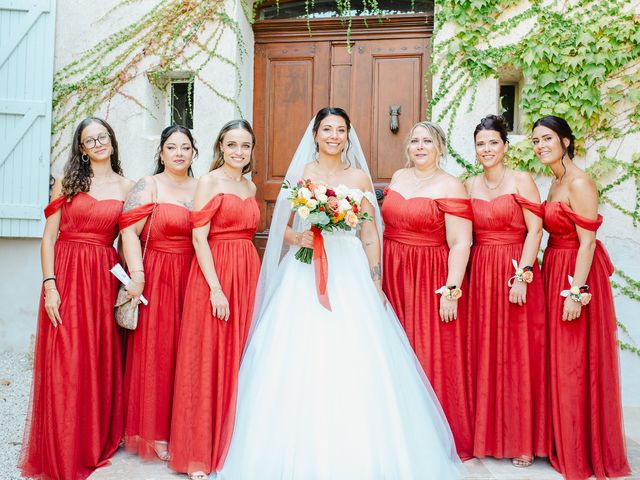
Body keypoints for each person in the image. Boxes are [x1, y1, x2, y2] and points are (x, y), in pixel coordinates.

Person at [217, 107, 461, 479]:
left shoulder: (359, 177)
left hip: (348, 270)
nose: (334, 136)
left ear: (349, 136)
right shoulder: (302, 174)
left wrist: (375, 282)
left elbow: (368, 232)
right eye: (327, 129)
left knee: (357, 354)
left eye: (341, 130)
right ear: (315, 134)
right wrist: (297, 236)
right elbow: (278, 224)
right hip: (303, 270)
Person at [19, 117, 133, 480]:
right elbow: (48, 237)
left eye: (103, 137)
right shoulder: (67, 183)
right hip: (66, 276)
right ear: (81, 149)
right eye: (89, 140)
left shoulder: (129, 187)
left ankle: (91, 439)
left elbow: (130, 240)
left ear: (112, 142)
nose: (98, 143)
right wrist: (49, 284)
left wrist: (137, 281)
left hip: (102, 277)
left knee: (95, 357)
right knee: (65, 360)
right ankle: (61, 444)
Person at [533, 115, 630, 480]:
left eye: (547, 139)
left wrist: (576, 291)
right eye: (536, 140)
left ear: (566, 142)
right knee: (559, 361)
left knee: (575, 363)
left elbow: (587, 241)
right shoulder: (554, 180)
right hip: (555, 266)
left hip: (577, 274)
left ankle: (581, 450)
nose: (541, 146)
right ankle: (563, 441)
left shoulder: (579, 181)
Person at [168, 120, 261, 480]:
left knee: (239, 357)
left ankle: (231, 444)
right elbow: (198, 239)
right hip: (215, 274)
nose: (238, 152)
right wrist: (216, 288)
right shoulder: (209, 182)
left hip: (246, 274)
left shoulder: (251, 185)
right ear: (220, 146)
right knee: (207, 359)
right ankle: (198, 454)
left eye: (245, 146)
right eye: (232, 144)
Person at [381, 121, 474, 460]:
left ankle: (434, 435)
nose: (420, 147)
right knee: (392, 349)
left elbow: (461, 242)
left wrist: (451, 289)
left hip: (429, 273)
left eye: (427, 141)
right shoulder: (398, 177)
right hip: (392, 271)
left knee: (427, 348)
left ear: (440, 147)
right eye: (415, 141)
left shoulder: (451, 185)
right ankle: (396, 430)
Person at [464, 115, 549, 466]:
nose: (487, 149)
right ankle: (486, 435)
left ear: (505, 145)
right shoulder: (468, 184)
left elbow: (536, 230)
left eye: (493, 143)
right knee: (485, 352)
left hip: (516, 268)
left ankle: (522, 440)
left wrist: (522, 275)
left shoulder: (522, 180)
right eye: (481, 144)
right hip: (481, 271)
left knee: (519, 353)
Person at [119, 125, 198, 461]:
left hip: (192, 274)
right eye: (172, 147)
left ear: (194, 152)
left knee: (188, 351)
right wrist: (137, 274)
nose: (179, 153)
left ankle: (185, 427)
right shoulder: (148, 185)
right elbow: (128, 231)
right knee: (159, 351)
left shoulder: (202, 186)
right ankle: (156, 432)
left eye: (185, 147)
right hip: (158, 274)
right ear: (161, 153)